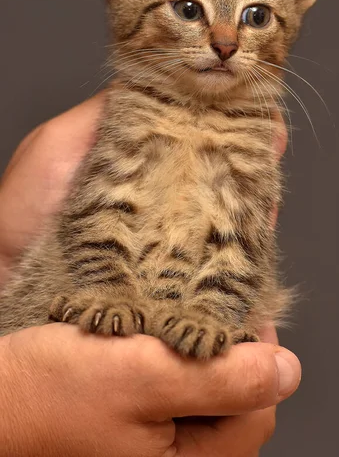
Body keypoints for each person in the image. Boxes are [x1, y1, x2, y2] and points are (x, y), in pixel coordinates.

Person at [0, 94, 301, 456]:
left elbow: (239, 257)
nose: (224, 40)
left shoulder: (255, 125)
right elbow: (91, 222)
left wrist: (212, 316)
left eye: (254, 30)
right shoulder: (131, 106)